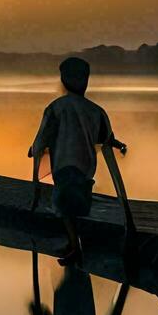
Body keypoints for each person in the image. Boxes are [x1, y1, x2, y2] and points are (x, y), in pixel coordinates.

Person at [28, 56, 126, 265]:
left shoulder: (56, 107)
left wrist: (34, 149)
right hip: (85, 165)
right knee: (76, 201)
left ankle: (75, 247)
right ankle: (74, 244)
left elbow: (43, 135)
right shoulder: (95, 110)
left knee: (65, 205)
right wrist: (117, 144)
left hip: (64, 162)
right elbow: (106, 137)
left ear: (64, 80)